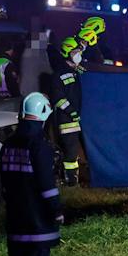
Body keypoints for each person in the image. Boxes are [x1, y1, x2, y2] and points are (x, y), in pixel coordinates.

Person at [0, 92, 61, 256]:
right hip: (37, 217)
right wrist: (56, 210)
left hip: (16, 215)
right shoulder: (39, 146)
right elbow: (46, 184)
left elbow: (3, 178)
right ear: (44, 113)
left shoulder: (9, 144)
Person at [47, 37, 85, 186]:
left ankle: (71, 179)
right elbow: (58, 98)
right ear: (68, 53)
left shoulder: (75, 71)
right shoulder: (59, 74)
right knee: (70, 152)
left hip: (75, 119)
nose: (78, 54)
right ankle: (70, 181)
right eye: (76, 51)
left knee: (74, 150)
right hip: (67, 120)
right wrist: (72, 112)